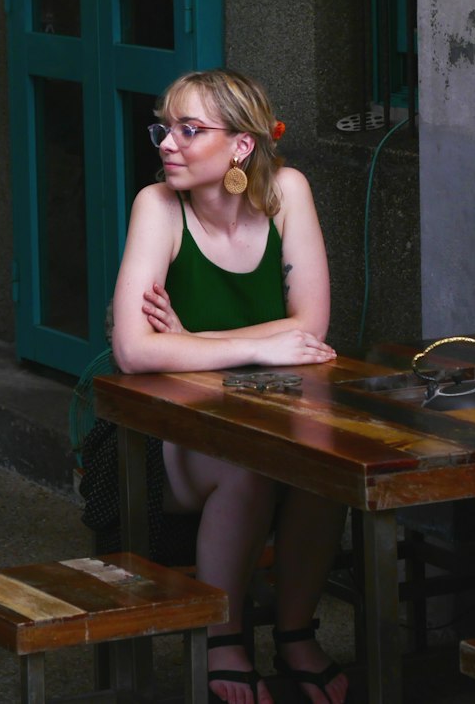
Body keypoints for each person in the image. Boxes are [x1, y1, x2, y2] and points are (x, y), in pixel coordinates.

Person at [108, 68, 350, 704]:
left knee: (322, 465)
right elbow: (134, 352)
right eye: (165, 128)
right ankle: (225, 641)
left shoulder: (288, 192)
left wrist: (189, 342)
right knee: (246, 468)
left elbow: (311, 326)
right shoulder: (157, 206)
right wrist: (255, 346)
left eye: (190, 130)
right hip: (162, 430)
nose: (167, 143)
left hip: (265, 411)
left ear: (242, 146)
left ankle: (296, 635)